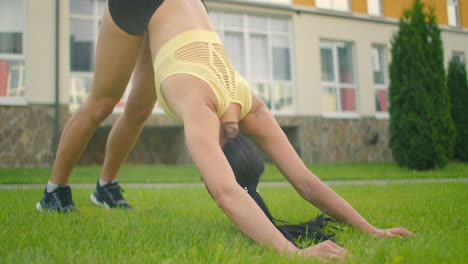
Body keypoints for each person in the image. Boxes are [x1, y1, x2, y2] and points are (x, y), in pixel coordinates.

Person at [36, 0, 412, 261]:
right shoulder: (205, 110)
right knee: (103, 103)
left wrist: (371, 229)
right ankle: (54, 192)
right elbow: (226, 192)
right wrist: (294, 254)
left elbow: (306, 181)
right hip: (142, 4)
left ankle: (105, 188)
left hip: (184, 14)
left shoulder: (249, 104)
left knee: (136, 111)